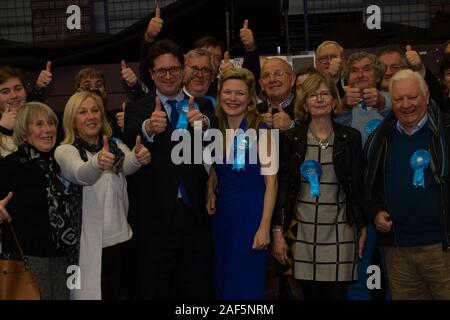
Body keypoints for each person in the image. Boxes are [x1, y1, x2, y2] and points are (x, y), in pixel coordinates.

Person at [124, 38, 215, 299]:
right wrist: (148, 128)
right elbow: (130, 134)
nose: (168, 76)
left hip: (196, 218)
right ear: (152, 74)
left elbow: (218, 144)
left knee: (197, 291)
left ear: (184, 69)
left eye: (173, 69)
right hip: (153, 222)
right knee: (155, 289)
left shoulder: (203, 106)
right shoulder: (137, 109)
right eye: (161, 71)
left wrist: (205, 123)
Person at [272, 73, 367, 300]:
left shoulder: (350, 137)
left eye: (325, 94)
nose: (320, 99)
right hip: (302, 231)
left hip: (340, 230)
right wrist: (277, 231)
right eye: (313, 95)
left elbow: (358, 186)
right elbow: (283, 188)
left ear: (334, 101)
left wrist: (362, 225)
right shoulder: (292, 138)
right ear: (304, 103)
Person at [54, 91, 150, 300]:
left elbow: (127, 164)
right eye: (83, 112)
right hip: (89, 251)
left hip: (124, 243)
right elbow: (81, 174)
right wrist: (97, 162)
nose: (91, 116)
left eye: (95, 110)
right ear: (72, 120)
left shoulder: (114, 146)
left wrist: (139, 156)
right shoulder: (65, 151)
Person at [365, 69, 450, 300]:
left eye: (412, 97)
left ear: (426, 96)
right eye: (399, 99)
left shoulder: (446, 132)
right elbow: (368, 190)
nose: (406, 105)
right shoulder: (379, 140)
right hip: (397, 250)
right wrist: (375, 213)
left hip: (442, 249)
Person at [206, 68, 277, 299]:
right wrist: (210, 189)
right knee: (224, 280)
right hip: (223, 217)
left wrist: (264, 227)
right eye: (227, 92)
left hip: (251, 216)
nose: (232, 98)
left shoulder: (262, 131)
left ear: (250, 99)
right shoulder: (217, 130)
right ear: (219, 95)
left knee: (247, 284)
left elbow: (272, 183)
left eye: (239, 93)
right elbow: (218, 168)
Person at [0, 102, 77, 300]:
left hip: (66, 258)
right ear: (24, 131)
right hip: (27, 260)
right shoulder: (11, 165)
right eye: (39, 124)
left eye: (51, 123)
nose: (48, 129)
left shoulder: (63, 162)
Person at [337, 51, 390, 144]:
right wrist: (345, 108)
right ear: (348, 79)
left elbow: (402, 122)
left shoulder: (393, 98)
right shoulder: (340, 105)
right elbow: (336, 132)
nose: (360, 75)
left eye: (366, 69)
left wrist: (382, 105)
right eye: (354, 71)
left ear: (378, 76)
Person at [0, 65, 51, 157]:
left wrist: (39, 88)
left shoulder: (34, 114)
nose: (14, 95)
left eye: (18, 88)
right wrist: (2, 129)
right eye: (5, 91)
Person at [377, 45, 445, 112]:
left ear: (405, 68)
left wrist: (420, 69)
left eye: (395, 67)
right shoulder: (370, 96)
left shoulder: (417, 93)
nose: (388, 72)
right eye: (383, 67)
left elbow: (437, 103)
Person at [258, 57, 297, 131]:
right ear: (261, 84)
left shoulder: (307, 108)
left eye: (279, 73)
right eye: (266, 75)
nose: (272, 80)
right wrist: (256, 129)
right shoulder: (254, 113)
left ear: (292, 79)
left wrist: (291, 126)